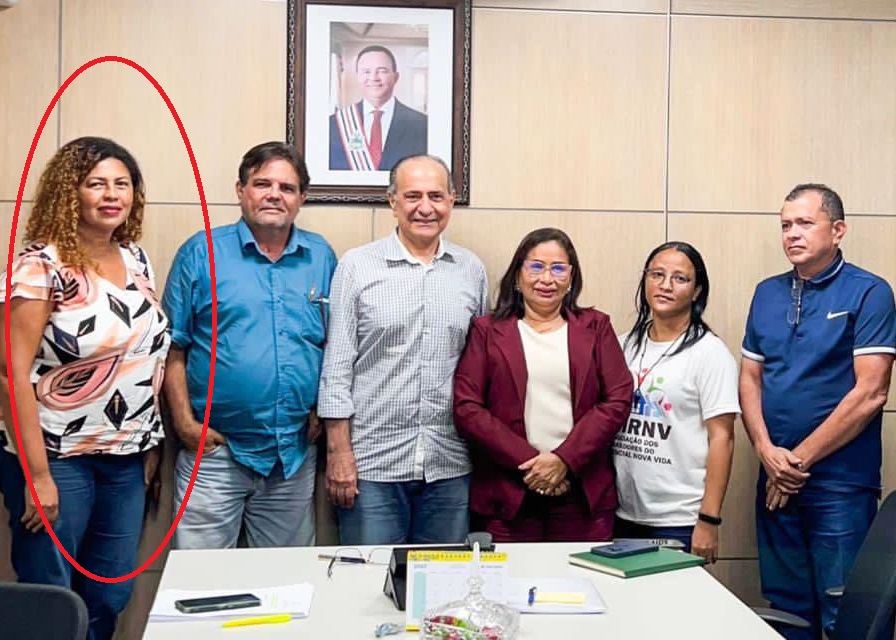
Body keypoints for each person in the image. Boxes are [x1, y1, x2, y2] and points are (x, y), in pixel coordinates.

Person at [0, 137, 170, 640]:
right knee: (55, 598)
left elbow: (143, 355)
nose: (112, 195)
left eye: (122, 184)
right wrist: (37, 476)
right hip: (57, 458)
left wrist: (149, 443)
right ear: (68, 192)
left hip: (125, 459)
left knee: (109, 595)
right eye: (96, 184)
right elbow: (11, 373)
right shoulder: (40, 265)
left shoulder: (136, 259)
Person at [740, 183, 895, 640]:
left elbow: (871, 393)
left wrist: (798, 460)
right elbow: (750, 378)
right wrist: (768, 452)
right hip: (775, 479)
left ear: (838, 229)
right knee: (786, 611)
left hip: (839, 485)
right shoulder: (766, 293)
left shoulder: (870, 292)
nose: (792, 234)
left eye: (805, 223)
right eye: (786, 225)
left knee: (846, 614)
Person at [162, 142, 336, 549]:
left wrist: (322, 412)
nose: (274, 194)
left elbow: (337, 345)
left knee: (284, 587)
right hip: (215, 453)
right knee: (198, 586)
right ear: (241, 190)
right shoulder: (200, 252)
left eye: (287, 187)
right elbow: (173, 347)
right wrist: (185, 424)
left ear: (301, 199)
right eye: (263, 184)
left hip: (291, 455)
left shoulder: (321, 257)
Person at [318, 155, 488, 545]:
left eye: (436, 196)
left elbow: (481, 368)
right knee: (367, 588)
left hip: (449, 463)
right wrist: (339, 454)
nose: (424, 208)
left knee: (442, 588)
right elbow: (337, 367)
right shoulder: (358, 266)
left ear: (451, 200)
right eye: (412, 196)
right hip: (372, 465)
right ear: (392, 201)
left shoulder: (470, 270)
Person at [453, 227, 632, 542]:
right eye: (536, 266)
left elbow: (617, 399)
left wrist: (564, 460)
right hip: (508, 494)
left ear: (571, 277)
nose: (546, 279)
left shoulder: (596, 327)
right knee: (507, 588)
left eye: (558, 268)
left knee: (582, 588)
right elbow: (468, 407)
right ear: (518, 276)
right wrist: (533, 464)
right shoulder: (487, 330)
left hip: (582, 494)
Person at [613, 241, 739, 561]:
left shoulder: (710, 354)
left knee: (674, 610)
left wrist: (708, 521)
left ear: (697, 291)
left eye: (680, 278)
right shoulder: (622, 345)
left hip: (678, 521)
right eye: (657, 274)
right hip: (622, 513)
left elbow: (722, 438)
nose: (665, 285)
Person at [329, 45, 428, 171]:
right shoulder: (334, 124)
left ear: (395, 77)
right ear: (358, 76)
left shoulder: (422, 125)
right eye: (366, 71)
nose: (374, 78)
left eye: (382, 71)